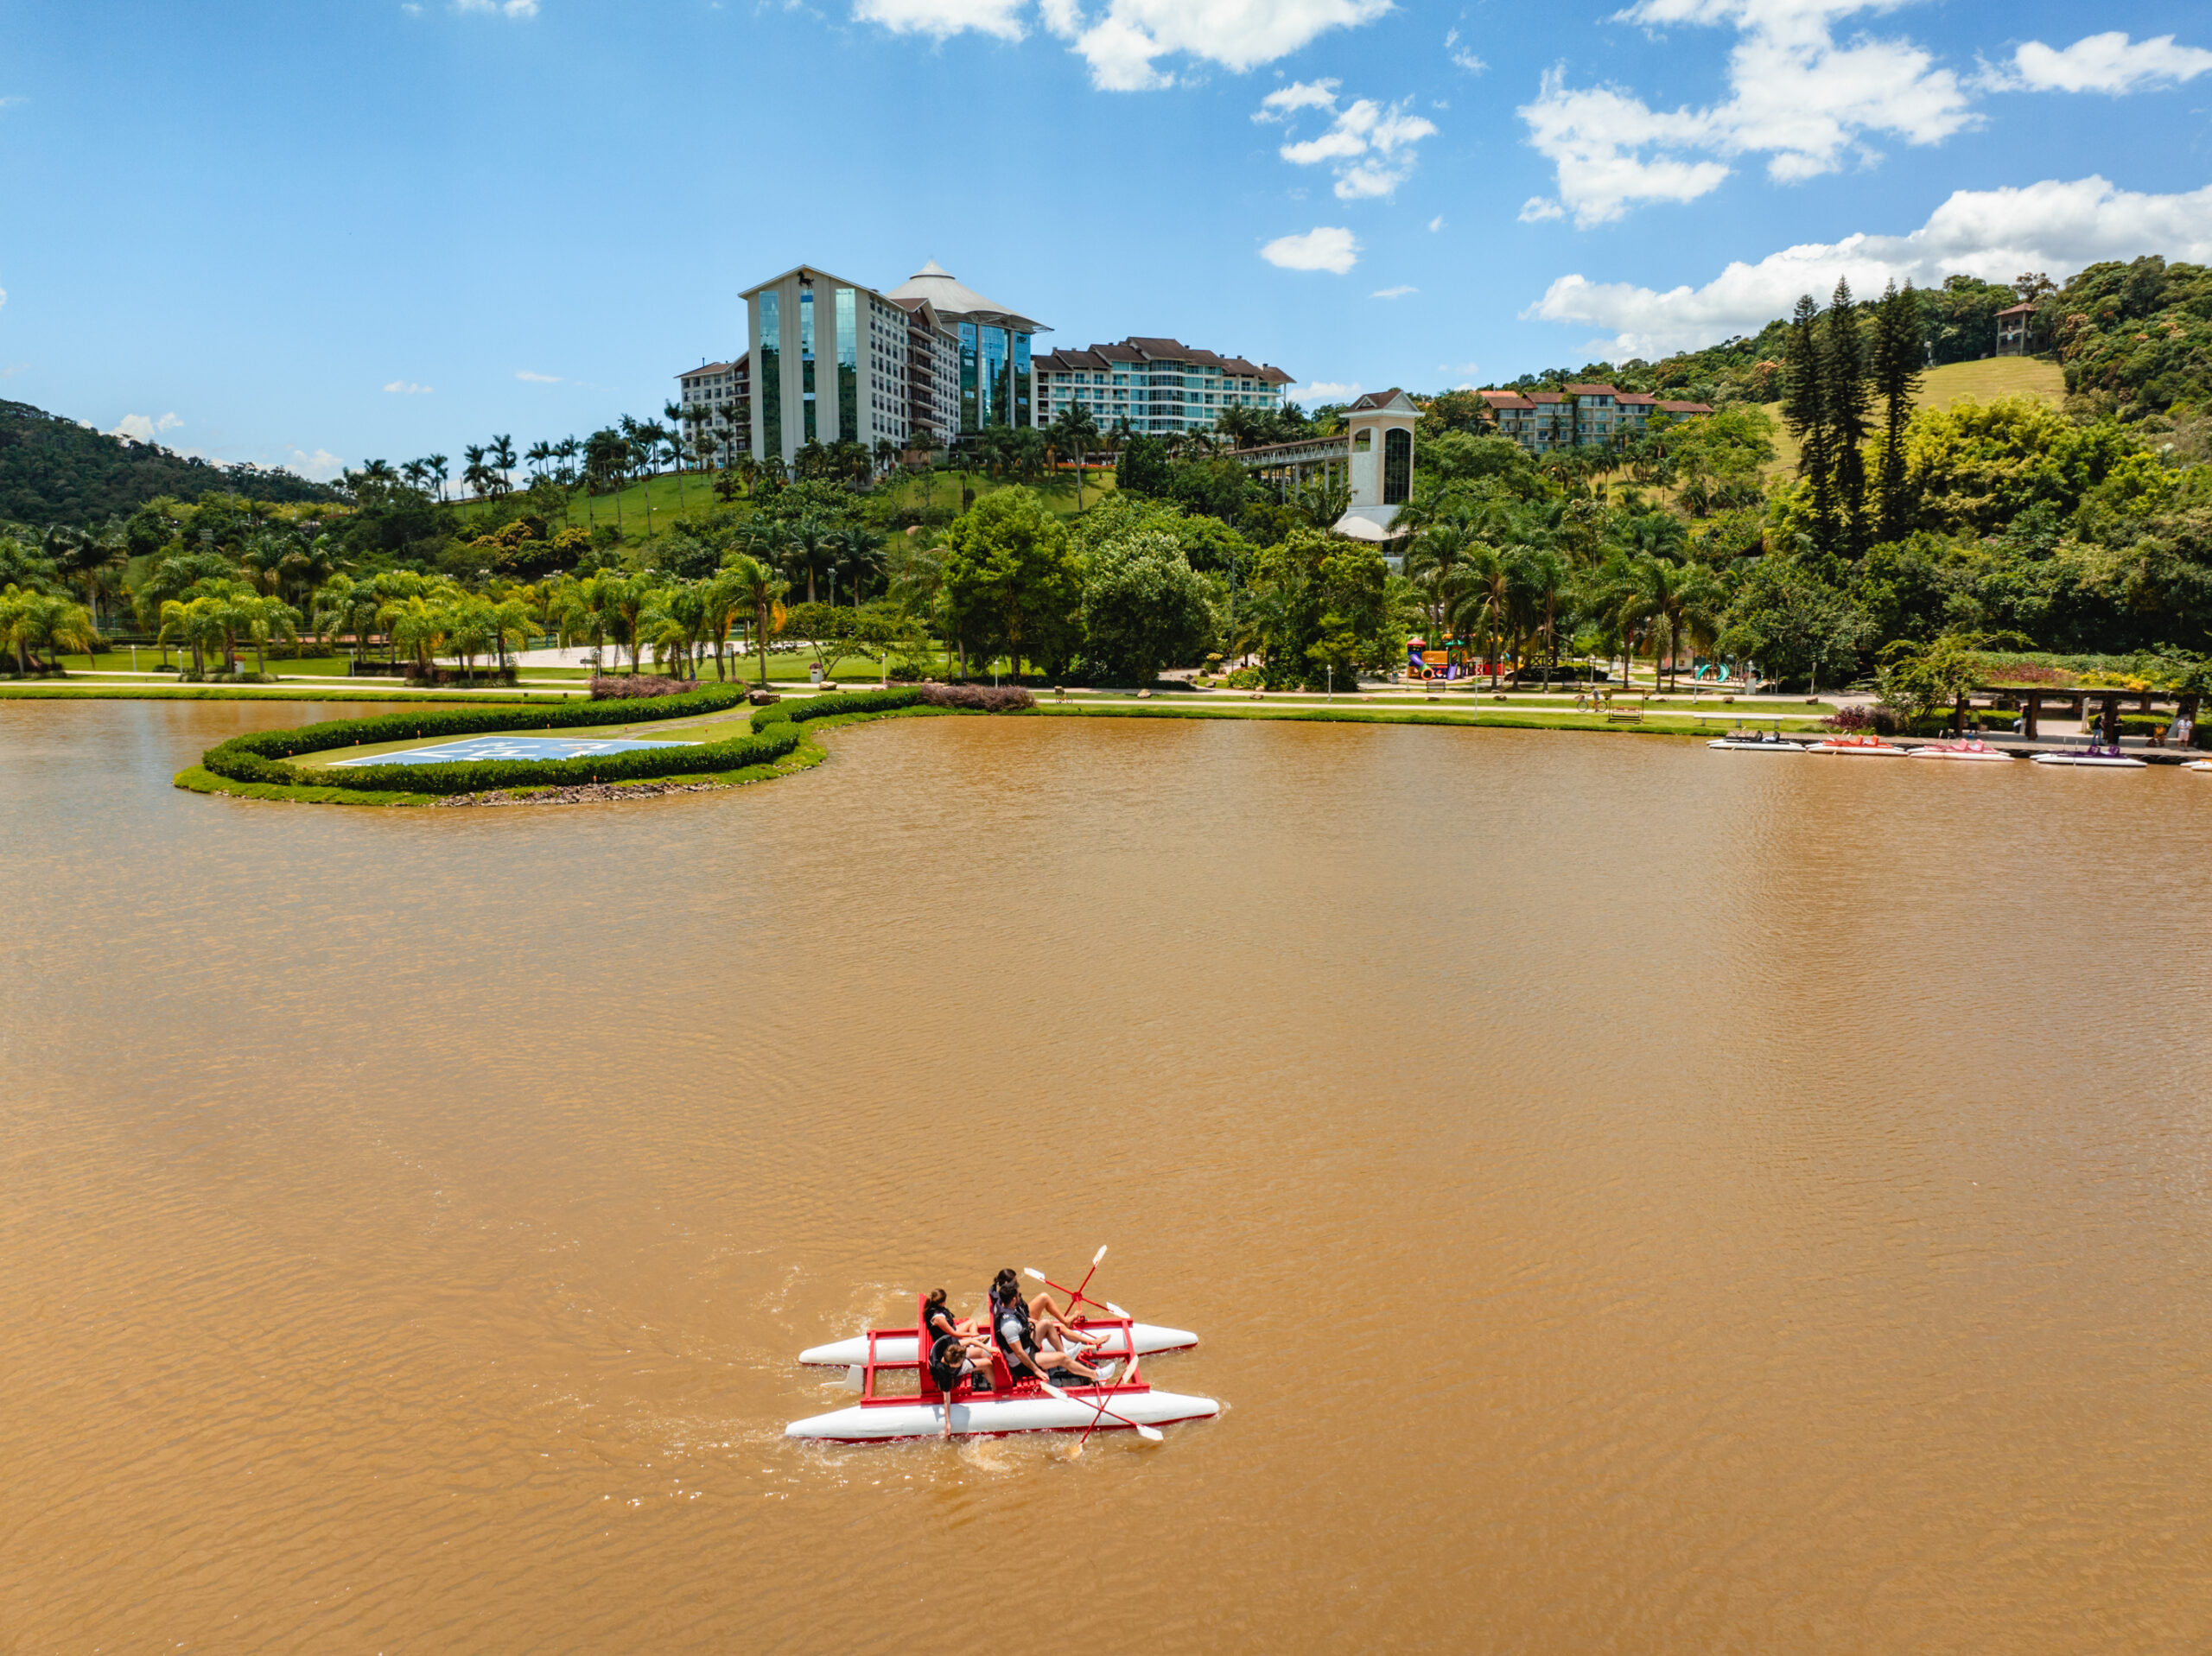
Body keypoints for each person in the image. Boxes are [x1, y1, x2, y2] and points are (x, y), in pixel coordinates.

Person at [988, 1268, 1109, 1386]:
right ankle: (1096, 1374)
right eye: (1018, 1296)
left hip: (1027, 1347)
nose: (1021, 1298)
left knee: (1046, 1323)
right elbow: (1020, 1353)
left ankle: (1065, 1353)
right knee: (1062, 1359)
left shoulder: (1007, 1304)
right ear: (1013, 1299)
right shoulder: (1009, 1325)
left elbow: (1024, 1320)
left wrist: (1036, 1324)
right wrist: (1036, 1370)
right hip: (1023, 1364)